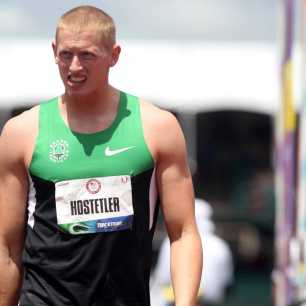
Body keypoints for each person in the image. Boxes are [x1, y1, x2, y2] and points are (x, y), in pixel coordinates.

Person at [0, 5, 202, 306]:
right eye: (66, 54)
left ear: (114, 55)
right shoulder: (22, 132)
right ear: (54, 51)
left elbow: (184, 232)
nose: (74, 66)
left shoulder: (157, 127)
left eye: (87, 55)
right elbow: (6, 247)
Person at [151, 199, 233, 306]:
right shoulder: (221, 245)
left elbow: (162, 279)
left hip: (180, 301)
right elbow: (227, 284)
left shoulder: (172, 242)